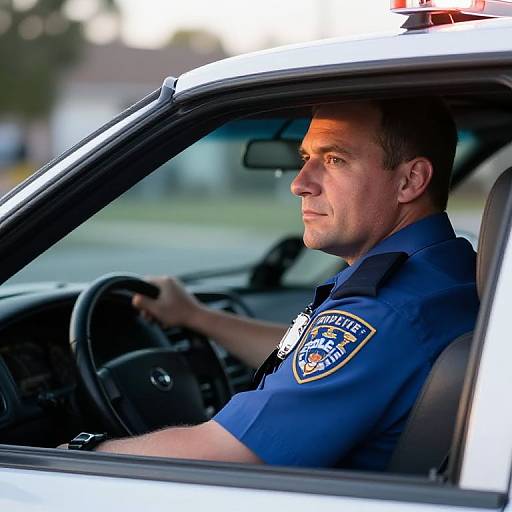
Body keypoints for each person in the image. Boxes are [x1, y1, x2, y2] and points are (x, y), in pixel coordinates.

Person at [70, 97, 479, 470]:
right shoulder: (450, 272)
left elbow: (227, 454)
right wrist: (195, 316)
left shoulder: (385, 311)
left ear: (410, 181)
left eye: (334, 159)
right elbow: (317, 358)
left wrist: (74, 455)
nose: (300, 182)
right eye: (305, 158)